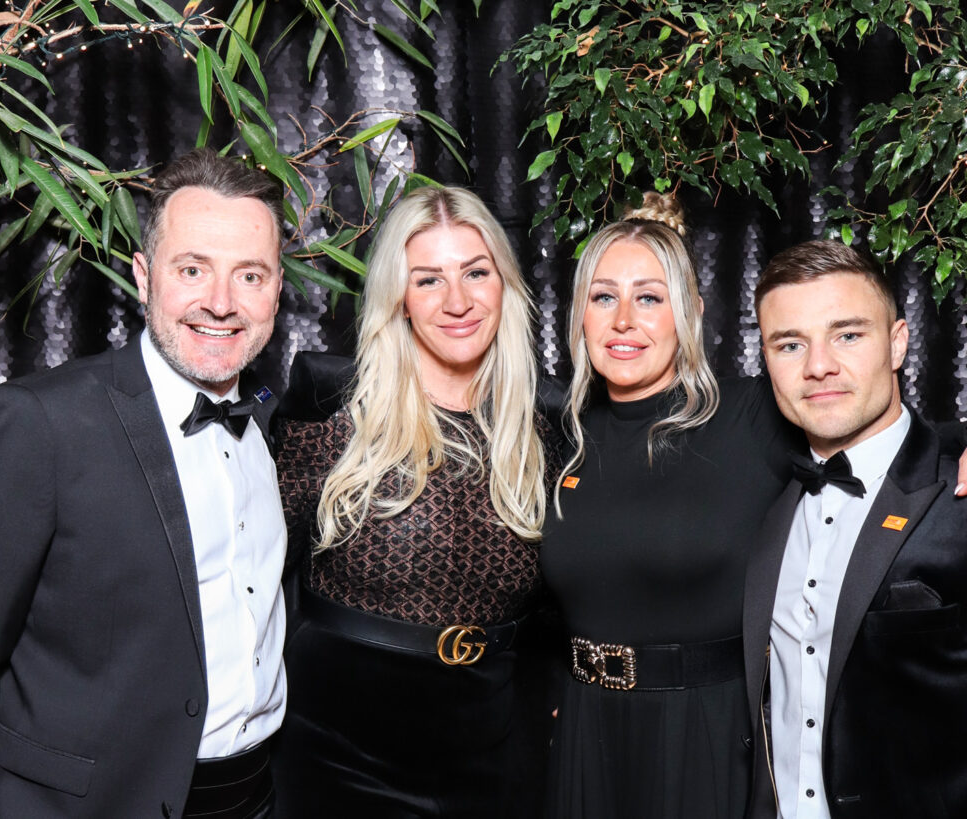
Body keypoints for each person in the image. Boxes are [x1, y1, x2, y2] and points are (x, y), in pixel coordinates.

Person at [0, 148, 288, 818]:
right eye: (192, 269)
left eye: (249, 275)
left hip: (257, 794)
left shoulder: (278, 424)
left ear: (278, 290)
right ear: (143, 276)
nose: (220, 302)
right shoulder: (36, 425)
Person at [273, 185, 553, 817]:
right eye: (428, 280)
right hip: (337, 750)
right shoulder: (330, 415)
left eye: (476, 273)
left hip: (493, 750)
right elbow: (244, 577)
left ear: (504, 284)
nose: (457, 301)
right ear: (398, 298)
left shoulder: (547, 432)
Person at [541, 193, 802, 818]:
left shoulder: (751, 416)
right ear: (579, 315)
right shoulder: (558, 434)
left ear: (689, 313)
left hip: (706, 734)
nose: (623, 319)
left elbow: (876, 430)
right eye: (604, 297)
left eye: (649, 298)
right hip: (582, 730)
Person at [744, 240, 967, 818]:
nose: (818, 365)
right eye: (790, 344)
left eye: (847, 334)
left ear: (897, 343)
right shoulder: (760, 499)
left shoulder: (959, 492)